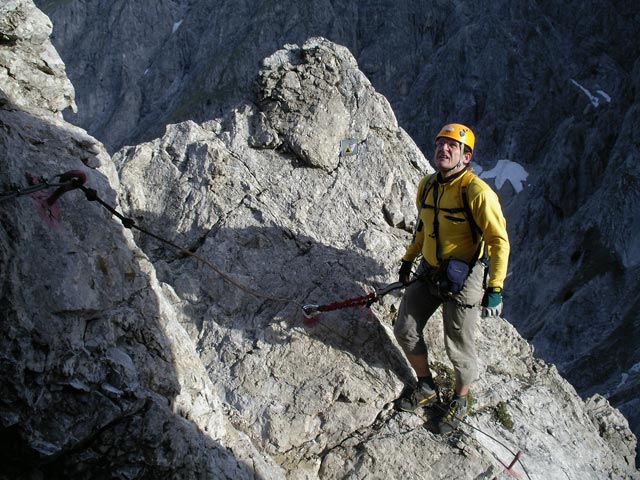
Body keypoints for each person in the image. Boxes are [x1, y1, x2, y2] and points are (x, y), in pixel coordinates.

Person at [393, 123, 510, 434]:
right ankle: (427, 386)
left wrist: (494, 288)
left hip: (466, 277)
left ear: (466, 156)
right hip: (429, 270)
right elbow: (422, 228)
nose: (443, 149)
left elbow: (499, 241)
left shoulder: (477, 192)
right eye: (440, 143)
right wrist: (408, 259)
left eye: (452, 146)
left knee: (458, 347)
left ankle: (460, 398)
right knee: (405, 329)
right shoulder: (427, 185)